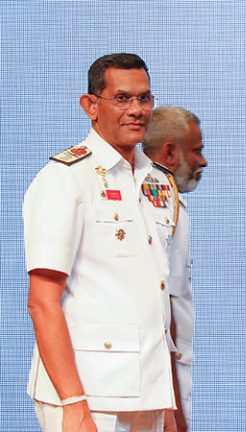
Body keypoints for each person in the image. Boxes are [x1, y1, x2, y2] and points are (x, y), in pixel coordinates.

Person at [24, 53, 182, 432]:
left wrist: (166, 403)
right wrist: (73, 403)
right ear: (90, 106)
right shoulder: (65, 179)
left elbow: (157, 296)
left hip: (148, 394)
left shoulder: (158, 182)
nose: (136, 109)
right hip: (90, 395)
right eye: (122, 98)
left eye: (144, 98)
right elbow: (42, 301)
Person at [143, 106, 207, 431]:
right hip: (155, 383)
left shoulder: (168, 198)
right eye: (197, 150)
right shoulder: (157, 199)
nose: (203, 161)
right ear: (169, 153)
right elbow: (159, 309)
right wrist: (173, 406)